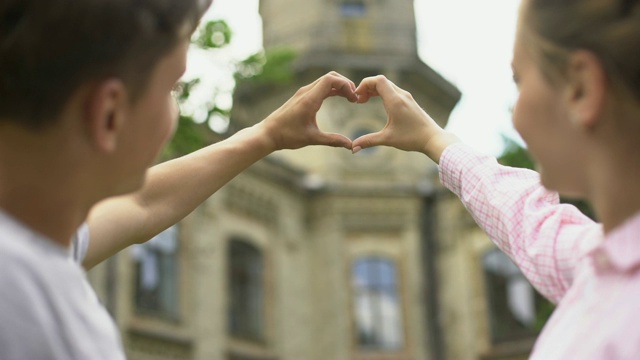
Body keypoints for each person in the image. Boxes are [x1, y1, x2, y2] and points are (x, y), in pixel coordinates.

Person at [0, 0, 357, 358]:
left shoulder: (33, 237)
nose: (176, 111)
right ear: (110, 113)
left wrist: (266, 136)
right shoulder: (42, 323)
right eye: (174, 90)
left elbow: (143, 204)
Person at [351, 0, 640, 358]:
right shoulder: (605, 261)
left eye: (519, 80)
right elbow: (531, 224)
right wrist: (433, 140)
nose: (513, 112)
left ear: (579, 87)